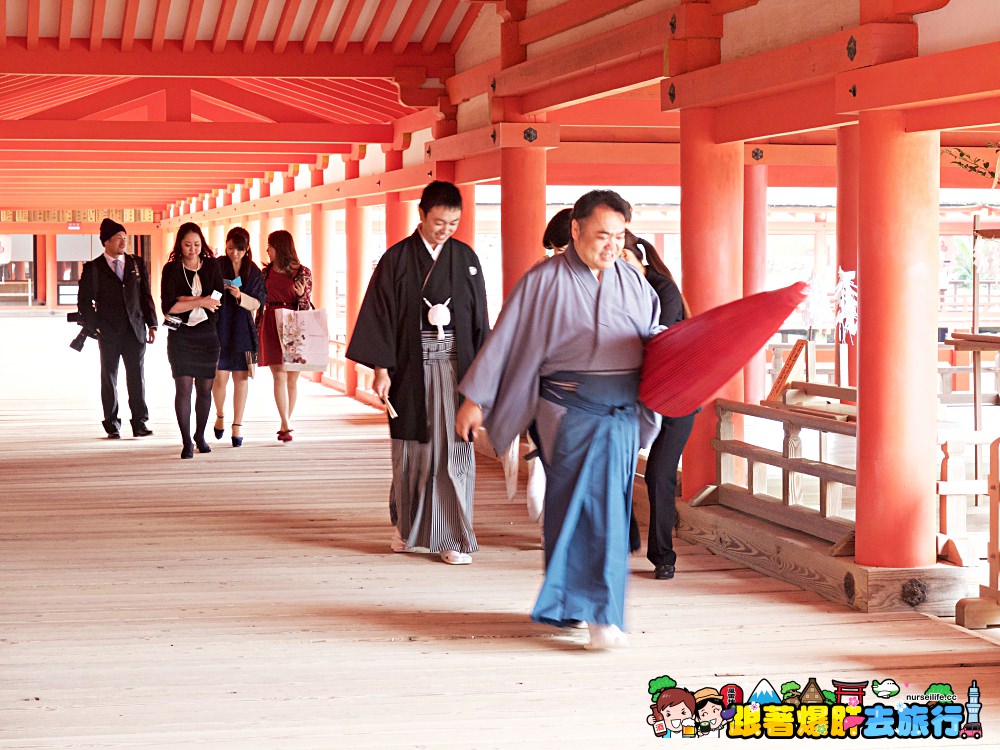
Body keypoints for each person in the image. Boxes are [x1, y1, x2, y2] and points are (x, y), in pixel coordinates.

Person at [456, 190, 661, 649]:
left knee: (599, 508)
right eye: (601, 235)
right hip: (568, 411)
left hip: (622, 413)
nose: (611, 245)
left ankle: (572, 605)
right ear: (575, 229)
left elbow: (653, 340)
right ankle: (599, 616)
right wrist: (476, 399)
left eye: (619, 236)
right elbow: (505, 339)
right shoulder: (543, 280)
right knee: (588, 508)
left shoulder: (634, 281)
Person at [347, 180, 489, 565]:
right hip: (410, 367)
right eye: (440, 222)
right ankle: (407, 529)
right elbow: (381, 318)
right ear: (421, 214)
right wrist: (381, 369)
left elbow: (479, 324)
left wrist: (481, 380)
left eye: (454, 223)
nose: (446, 230)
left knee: (455, 450)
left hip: (456, 368)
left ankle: (453, 536)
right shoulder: (396, 259)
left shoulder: (466, 259)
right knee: (413, 451)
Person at [621, 231, 696, 580]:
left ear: (641, 258)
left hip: (678, 393)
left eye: (626, 256)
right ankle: (619, 541)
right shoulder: (615, 289)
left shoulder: (663, 289)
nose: (621, 262)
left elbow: (657, 339)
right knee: (618, 468)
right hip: (639, 394)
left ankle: (663, 556)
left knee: (659, 473)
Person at [77, 218, 158, 439]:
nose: (123, 242)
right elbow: (84, 303)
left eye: (125, 237)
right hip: (109, 332)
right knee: (109, 377)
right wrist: (97, 327)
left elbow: (145, 296)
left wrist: (152, 324)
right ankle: (112, 424)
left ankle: (139, 423)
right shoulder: (93, 268)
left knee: (136, 377)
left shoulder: (136, 264)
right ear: (106, 242)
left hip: (135, 330)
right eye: (118, 238)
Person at [161, 222, 224, 459]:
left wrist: (186, 299)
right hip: (181, 336)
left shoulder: (212, 266)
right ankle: (186, 440)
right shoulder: (171, 270)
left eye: (197, 244)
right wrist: (199, 301)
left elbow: (218, 299)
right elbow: (169, 307)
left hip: (207, 335)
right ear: (179, 245)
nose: (193, 249)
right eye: (187, 245)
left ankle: (200, 435)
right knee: (183, 387)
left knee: (205, 389)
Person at [212, 227, 267, 448]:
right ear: (226, 245)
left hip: (243, 328)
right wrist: (219, 294)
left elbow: (259, 301)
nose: (234, 253)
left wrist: (240, 295)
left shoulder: (253, 271)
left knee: (241, 378)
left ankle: (238, 425)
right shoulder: (217, 264)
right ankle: (220, 415)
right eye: (231, 247)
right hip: (220, 325)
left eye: (239, 249)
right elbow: (208, 290)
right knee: (219, 377)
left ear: (246, 250)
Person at [258, 230, 312, 442]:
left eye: (269, 246)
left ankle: (285, 422)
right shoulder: (266, 272)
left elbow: (306, 306)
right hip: (271, 320)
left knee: (292, 378)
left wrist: (301, 295)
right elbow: (258, 298)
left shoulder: (302, 272)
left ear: (279, 247)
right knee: (278, 374)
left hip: (293, 323)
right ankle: (286, 424)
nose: (267, 250)